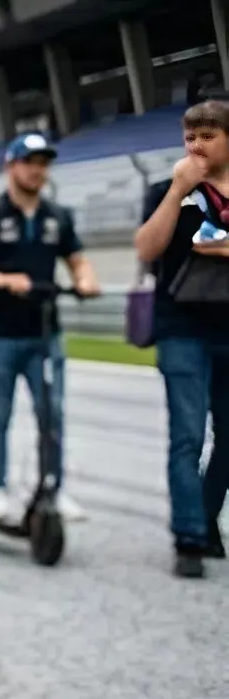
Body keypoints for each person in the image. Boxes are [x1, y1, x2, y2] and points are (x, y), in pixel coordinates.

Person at [0, 132, 100, 525]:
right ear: (10, 166)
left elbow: (78, 259)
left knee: (52, 413)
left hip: (45, 333)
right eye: (29, 161)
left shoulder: (57, 216)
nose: (37, 170)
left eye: (43, 163)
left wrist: (85, 279)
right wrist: (3, 280)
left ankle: (52, 488)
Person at [135, 98, 229, 578]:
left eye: (208, 136)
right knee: (187, 437)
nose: (196, 146)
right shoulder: (166, 191)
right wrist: (176, 192)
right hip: (181, 331)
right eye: (190, 137)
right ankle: (189, 538)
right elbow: (148, 249)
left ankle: (206, 518)